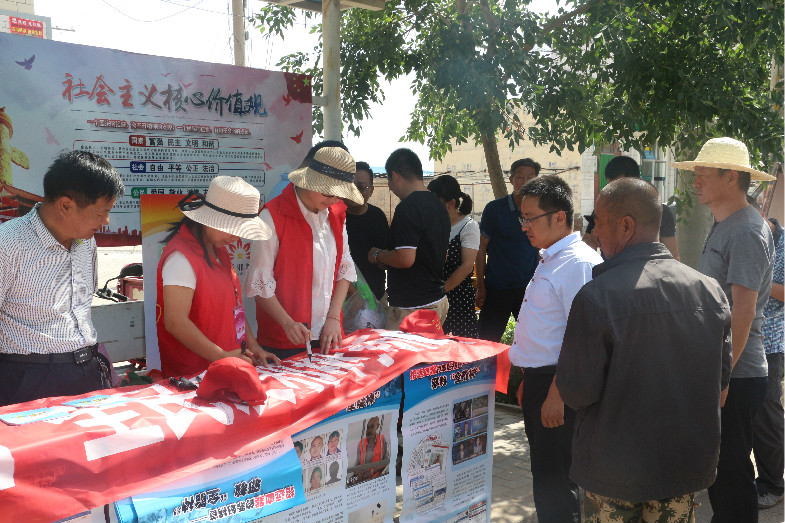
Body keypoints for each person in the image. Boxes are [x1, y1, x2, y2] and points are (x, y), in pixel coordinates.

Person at [557, 178, 732, 523]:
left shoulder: (597, 297)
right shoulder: (710, 291)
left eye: (597, 222)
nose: (593, 232)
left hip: (613, 471)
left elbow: (577, 392)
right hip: (682, 465)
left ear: (626, 226)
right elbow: (721, 381)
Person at [672, 136, 775, 523]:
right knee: (721, 471)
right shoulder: (726, 224)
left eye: (703, 173)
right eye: (694, 173)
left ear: (731, 177)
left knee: (731, 475)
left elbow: (743, 310)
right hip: (725, 370)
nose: (695, 180)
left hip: (737, 374)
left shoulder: (746, 230)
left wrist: (723, 375)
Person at [509, 175, 602, 523]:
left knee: (557, 486)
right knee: (547, 476)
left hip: (558, 386)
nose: (524, 227)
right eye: (522, 218)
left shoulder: (577, 263)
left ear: (559, 217)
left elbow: (583, 338)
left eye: (530, 218)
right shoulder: (553, 257)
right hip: (541, 382)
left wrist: (556, 394)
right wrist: (529, 380)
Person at [0, 150, 124, 406]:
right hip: (29, 378)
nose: (106, 221)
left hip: (88, 370)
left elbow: (82, 309)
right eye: (100, 213)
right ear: (66, 205)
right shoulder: (9, 244)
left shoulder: (86, 242)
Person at [247, 145, 363, 360]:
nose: (333, 200)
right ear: (309, 181)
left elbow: (344, 268)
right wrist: (287, 323)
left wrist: (333, 318)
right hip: (284, 340)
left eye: (339, 195)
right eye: (328, 193)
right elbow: (260, 284)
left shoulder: (336, 214)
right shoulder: (271, 217)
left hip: (329, 334)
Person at [156, 176, 279, 378]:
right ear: (211, 219)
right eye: (233, 229)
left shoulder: (220, 251)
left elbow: (236, 308)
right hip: (194, 375)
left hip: (228, 368)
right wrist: (222, 356)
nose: (236, 238)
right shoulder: (181, 257)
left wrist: (254, 347)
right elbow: (175, 322)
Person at [367, 148, 450, 329]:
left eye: (389, 181)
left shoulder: (408, 207)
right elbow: (442, 255)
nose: (390, 187)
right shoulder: (439, 205)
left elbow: (405, 259)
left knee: (401, 350)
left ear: (395, 176)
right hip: (437, 300)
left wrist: (378, 255)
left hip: (413, 308)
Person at [475, 158, 540, 342]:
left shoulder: (540, 210)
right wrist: (481, 286)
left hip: (528, 289)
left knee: (532, 341)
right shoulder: (494, 209)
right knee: (487, 341)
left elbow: (540, 248)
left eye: (530, 177)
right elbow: (481, 248)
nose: (525, 182)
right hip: (497, 288)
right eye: (520, 177)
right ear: (511, 180)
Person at [750, 197, 784, 510]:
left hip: (770, 343)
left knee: (767, 414)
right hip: (738, 339)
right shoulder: (732, 234)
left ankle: (773, 484)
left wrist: (752, 276)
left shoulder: (782, 244)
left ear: (760, 211)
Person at [583, 155, 680, 260]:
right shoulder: (604, 211)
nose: (614, 193)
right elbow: (585, 250)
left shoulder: (658, 210)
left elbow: (673, 255)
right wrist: (595, 239)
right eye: (611, 187)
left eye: (620, 188)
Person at [427, 175, 480, 337]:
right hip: (432, 295)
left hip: (458, 299)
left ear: (451, 203)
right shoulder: (434, 224)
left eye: (436, 202)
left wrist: (441, 292)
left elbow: (466, 267)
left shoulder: (468, 226)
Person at [344, 162, 388, 301]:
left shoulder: (378, 216)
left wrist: (379, 257)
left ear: (371, 190)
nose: (354, 192)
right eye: (350, 186)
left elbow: (386, 254)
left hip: (376, 297)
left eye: (361, 187)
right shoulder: (333, 217)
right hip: (342, 299)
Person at [355, 416, 390, 481]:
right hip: (362, 480)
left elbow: (387, 460)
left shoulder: (383, 439)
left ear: (377, 426)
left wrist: (374, 469)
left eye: (372, 426)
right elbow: (356, 466)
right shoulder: (361, 443)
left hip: (377, 479)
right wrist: (359, 473)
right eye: (368, 427)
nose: (369, 430)